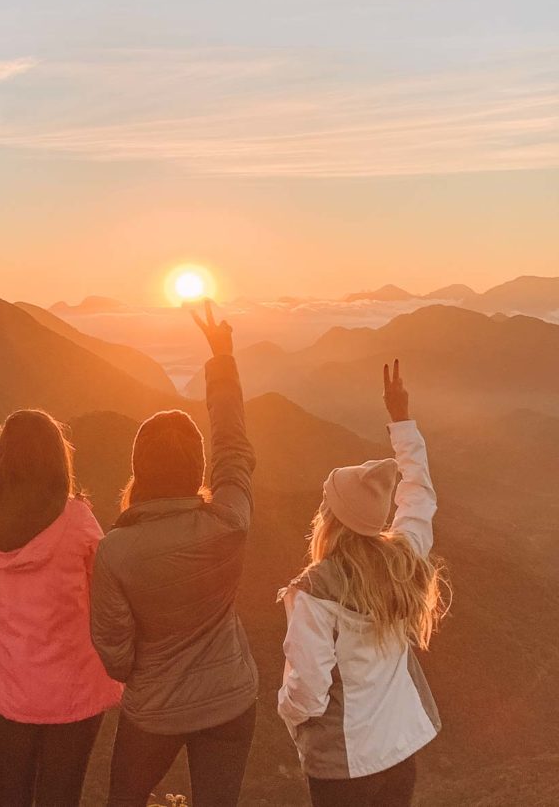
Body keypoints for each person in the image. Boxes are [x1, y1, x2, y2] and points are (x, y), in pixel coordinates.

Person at [91, 303, 258, 807]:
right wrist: (223, 359)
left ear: (138, 467)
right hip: (231, 697)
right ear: (197, 467)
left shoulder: (115, 551)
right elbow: (234, 447)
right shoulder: (229, 520)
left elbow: (115, 657)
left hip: (154, 709)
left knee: (124, 798)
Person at [277, 361, 447, 807]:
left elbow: (307, 692)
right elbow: (419, 494)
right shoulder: (404, 561)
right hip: (399, 754)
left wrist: (289, 715)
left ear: (330, 521)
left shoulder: (313, 592)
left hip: (343, 766)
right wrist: (402, 423)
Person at [0, 410, 123, 807]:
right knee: (61, 795)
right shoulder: (77, 520)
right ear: (56, 457)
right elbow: (105, 593)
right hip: (75, 683)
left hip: (12, 681)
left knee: (11, 794)